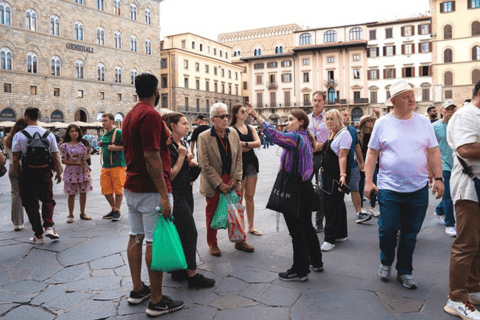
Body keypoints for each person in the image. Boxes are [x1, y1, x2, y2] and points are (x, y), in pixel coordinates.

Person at [365, 80, 444, 289]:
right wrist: (368, 181)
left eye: (412, 94)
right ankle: (385, 260)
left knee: (410, 232)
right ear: (393, 101)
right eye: (405, 95)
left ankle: (405, 270)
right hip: (389, 187)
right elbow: (372, 152)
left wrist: (439, 177)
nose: (411, 98)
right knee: (388, 229)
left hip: (417, 188)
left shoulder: (424, 122)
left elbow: (433, 151)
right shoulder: (382, 123)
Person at [122, 73, 184, 316]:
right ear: (156, 91)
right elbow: (151, 155)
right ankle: (156, 300)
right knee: (153, 241)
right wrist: (163, 194)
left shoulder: (131, 114)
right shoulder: (149, 115)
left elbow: (153, 144)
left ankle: (138, 289)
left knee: (135, 236)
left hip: (133, 186)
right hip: (149, 190)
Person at [247, 106, 323, 281]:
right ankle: (316, 262)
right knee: (306, 227)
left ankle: (300, 270)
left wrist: (257, 116)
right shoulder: (305, 137)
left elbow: (276, 136)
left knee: (297, 231)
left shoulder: (296, 138)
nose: (287, 123)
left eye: (290, 119)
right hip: (305, 188)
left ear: (301, 122)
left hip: (295, 188)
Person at [163, 112, 216, 288]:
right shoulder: (169, 146)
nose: (187, 126)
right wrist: (181, 157)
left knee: (180, 231)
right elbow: (169, 175)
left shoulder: (181, 143)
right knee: (189, 232)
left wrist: (190, 163)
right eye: (184, 123)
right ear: (172, 126)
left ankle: (179, 269)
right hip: (175, 194)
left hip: (185, 192)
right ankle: (192, 275)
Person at [198, 102, 254, 257]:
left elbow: (238, 159)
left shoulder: (233, 133)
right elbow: (204, 164)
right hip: (213, 181)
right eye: (221, 117)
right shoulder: (204, 137)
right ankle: (212, 243)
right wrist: (219, 183)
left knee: (237, 210)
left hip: (232, 179)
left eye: (226, 116)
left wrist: (235, 178)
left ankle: (239, 240)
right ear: (212, 119)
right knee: (211, 212)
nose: (225, 119)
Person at [444, 80, 480, 319]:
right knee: (466, 244)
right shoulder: (466, 114)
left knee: (476, 243)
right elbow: (466, 149)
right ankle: (456, 299)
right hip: (469, 189)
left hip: (475, 189)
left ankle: (473, 288)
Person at [12, 107, 63, 244]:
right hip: (45, 171)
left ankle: (38, 235)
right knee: (47, 199)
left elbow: (15, 159)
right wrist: (58, 172)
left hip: (27, 172)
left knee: (30, 203)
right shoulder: (49, 134)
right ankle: (48, 226)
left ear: (26, 117)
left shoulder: (19, 135)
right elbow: (56, 156)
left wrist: (18, 174)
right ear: (38, 116)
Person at [320, 109, 352, 252]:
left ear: (338, 119)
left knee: (331, 205)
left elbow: (343, 157)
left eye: (332, 118)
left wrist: (343, 175)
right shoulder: (333, 133)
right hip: (329, 174)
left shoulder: (344, 134)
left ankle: (330, 238)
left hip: (337, 174)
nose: (329, 121)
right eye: (327, 119)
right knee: (338, 204)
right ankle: (341, 233)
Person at [230, 104, 262, 236]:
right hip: (239, 166)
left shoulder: (250, 128)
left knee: (250, 196)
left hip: (251, 164)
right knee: (239, 198)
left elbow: (259, 143)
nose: (246, 113)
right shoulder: (231, 130)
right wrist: (250, 145)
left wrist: (244, 144)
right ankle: (240, 227)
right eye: (243, 111)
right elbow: (235, 148)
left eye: (246, 111)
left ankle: (251, 226)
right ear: (236, 114)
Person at [431, 100, 457, 237]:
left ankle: (439, 210)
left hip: (457, 164)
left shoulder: (459, 125)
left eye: (452, 108)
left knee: (454, 193)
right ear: (442, 111)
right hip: (442, 164)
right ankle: (450, 224)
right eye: (447, 109)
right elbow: (429, 148)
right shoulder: (434, 126)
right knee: (448, 195)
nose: (450, 111)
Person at [340, 109, 369, 224]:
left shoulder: (352, 130)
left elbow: (357, 147)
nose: (348, 116)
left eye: (348, 114)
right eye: (345, 115)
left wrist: (361, 163)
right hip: (339, 166)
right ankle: (338, 216)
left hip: (352, 165)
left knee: (355, 188)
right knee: (339, 191)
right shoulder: (335, 130)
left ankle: (359, 213)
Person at [60, 124, 93, 223]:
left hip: (83, 170)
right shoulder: (64, 145)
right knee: (71, 193)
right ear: (68, 133)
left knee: (83, 192)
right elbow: (63, 160)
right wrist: (75, 163)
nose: (74, 133)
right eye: (72, 131)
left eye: (76, 131)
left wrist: (85, 158)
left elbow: (89, 152)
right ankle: (70, 215)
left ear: (79, 132)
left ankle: (83, 213)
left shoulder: (83, 143)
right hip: (71, 171)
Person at [309, 91, 330, 233]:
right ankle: (303, 219)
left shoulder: (328, 118)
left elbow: (333, 138)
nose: (316, 103)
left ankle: (319, 221)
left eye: (319, 100)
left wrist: (321, 145)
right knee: (303, 186)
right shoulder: (306, 118)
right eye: (314, 100)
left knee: (321, 189)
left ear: (324, 102)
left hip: (323, 156)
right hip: (307, 157)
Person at [99, 113, 126, 221]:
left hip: (118, 165)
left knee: (118, 190)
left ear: (112, 121)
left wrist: (115, 148)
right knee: (106, 190)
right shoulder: (105, 133)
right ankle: (114, 209)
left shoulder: (118, 132)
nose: (103, 122)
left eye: (105, 120)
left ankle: (117, 210)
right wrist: (102, 143)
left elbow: (127, 146)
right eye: (103, 120)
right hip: (106, 165)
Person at [4, 118, 27, 231]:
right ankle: (36, 215)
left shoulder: (8, 138)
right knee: (32, 192)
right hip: (26, 166)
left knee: (16, 194)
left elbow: (9, 155)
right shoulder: (26, 137)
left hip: (12, 166)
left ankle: (17, 223)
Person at [358, 115, 379, 217]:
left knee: (374, 181)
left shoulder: (373, 134)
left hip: (371, 160)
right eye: (369, 121)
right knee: (361, 183)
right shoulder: (359, 135)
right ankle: (361, 207)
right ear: (364, 123)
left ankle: (372, 206)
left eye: (372, 121)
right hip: (361, 160)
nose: (371, 123)